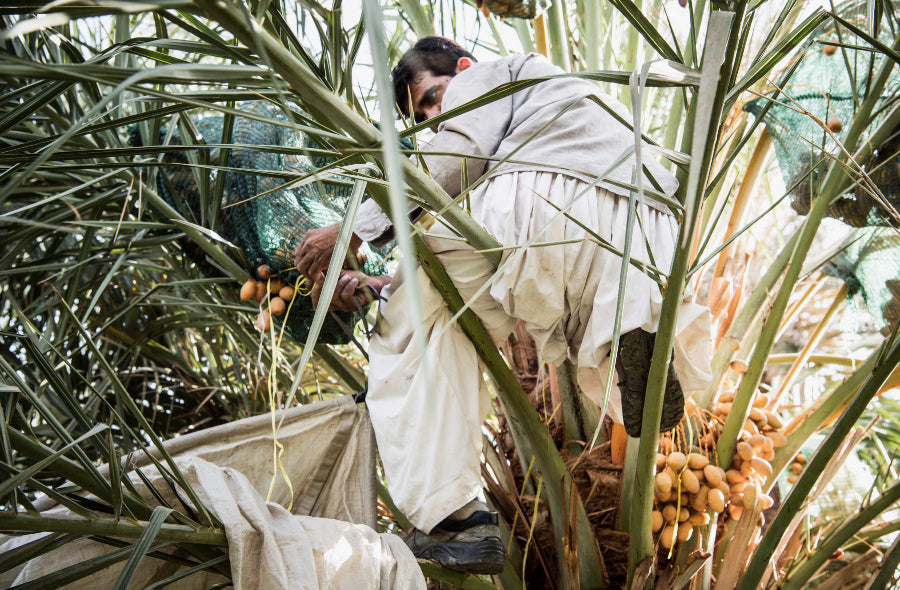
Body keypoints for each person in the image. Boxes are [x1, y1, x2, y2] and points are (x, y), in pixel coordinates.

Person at [294, 37, 710, 574]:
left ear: (463, 69)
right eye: (424, 116)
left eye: (433, 98)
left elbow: (456, 159)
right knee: (452, 304)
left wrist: (353, 226)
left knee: (411, 335)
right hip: (637, 236)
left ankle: (454, 517)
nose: (436, 117)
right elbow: (446, 264)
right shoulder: (569, 99)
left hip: (546, 202)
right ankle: (632, 328)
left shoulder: (493, 74)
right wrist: (382, 283)